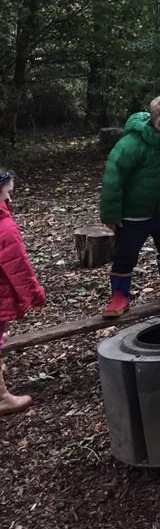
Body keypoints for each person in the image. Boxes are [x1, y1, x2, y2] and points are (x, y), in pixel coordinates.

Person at [99, 92, 160, 318]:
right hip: (132, 214)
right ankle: (120, 296)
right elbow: (113, 179)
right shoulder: (132, 144)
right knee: (125, 255)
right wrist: (111, 214)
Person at [0, 169, 46, 416]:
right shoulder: (4, 227)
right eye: (7, 193)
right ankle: (2, 398)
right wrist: (35, 294)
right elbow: (18, 267)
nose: (10, 199)